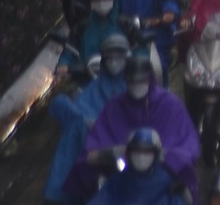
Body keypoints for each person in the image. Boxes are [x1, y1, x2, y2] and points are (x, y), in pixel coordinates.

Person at [81, 55, 198, 203]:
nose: (137, 85)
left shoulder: (170, 104)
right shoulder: (115, 106)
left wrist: (169, 156)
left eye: (142, 81)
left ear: (150, 80)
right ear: (126, 81)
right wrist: (110, 152)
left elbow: (188, 144)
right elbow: (93, 149)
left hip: (164, 174)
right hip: (123, 175)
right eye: (133, 81)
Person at [47, 32, 131, 202]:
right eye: (110, 57)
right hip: (101, 151)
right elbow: (81, 110)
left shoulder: (137, 84)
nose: (114, 61)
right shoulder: (95, 88)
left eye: (119, 56)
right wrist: (89, 124)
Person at [86, 126, 181, 205]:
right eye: (136, 151)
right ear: (129, 153)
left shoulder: (167, 184)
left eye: (147, 152)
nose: (141, 156)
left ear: (156, 154)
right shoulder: (118, 181)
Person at [61, 0, 124, 74]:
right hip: (86, 82)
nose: (101, 2)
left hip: (120, 82)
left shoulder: (126, 25)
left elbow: (140, 53)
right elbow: (70, 51)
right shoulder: (82, 27)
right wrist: (64, 65)